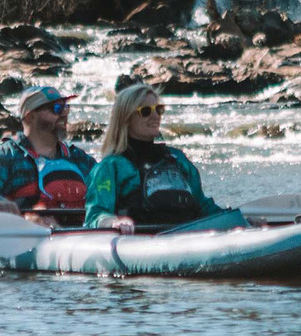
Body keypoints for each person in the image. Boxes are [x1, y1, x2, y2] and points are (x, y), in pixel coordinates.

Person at [85, 83, 223, 233]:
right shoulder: (110, 167)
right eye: (146, 111)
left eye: (158, 109)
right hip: (139, 241)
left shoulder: (177, 159)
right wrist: (112, 222)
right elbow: (96, 213)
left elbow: (203, 206)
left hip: (186, 238)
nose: (155, 116)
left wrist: (235, 219)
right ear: (126, 118)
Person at [0, 85, 96, 222]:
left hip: (77, 232)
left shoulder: (79, 158)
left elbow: (106, 187)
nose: (64, 114)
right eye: (56, 108)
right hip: (24, 231)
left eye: (65, 107)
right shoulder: (7, 155)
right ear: (30, 116)